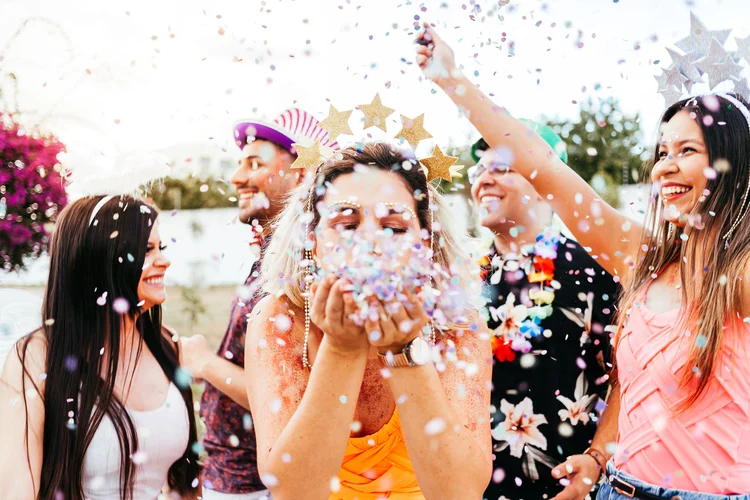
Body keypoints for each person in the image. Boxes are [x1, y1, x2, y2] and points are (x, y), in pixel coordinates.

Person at [416, 24, 750, 499]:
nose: (664, 167)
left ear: (733, 163)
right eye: (661, 152)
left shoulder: (740, 276)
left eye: (687, 151)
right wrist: (453, 80)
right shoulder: (644, 259)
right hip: (620, 490)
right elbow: (546, 169)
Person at [245, 142, 493, 499]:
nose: (371, 242)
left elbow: (460, 493)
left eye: (393, 227)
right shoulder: (279, 322)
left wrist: (404, 352)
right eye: (347, 223)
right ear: (312, 242)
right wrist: (342, 350)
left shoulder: (456, 327)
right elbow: (294, 492)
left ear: (423, 245)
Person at [179, 108, 337, 499]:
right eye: (239, 164)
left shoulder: (304, 270)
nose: (237, 178)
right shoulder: (274, 259)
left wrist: (204, 363)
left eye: (255, 163)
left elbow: (293, 395)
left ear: (301, 174)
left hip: (258, 484)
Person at [0, 194, 200, 500]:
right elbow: (18, 491)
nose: (164, 260)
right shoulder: (37, 357)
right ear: (98, 262)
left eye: (161, 247)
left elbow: (185, 484)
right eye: (145, 250)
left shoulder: (166, 345)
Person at [468, 132, 619, 499]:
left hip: (564, 489)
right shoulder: (462, 277)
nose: (483, 180)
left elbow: (629, 381)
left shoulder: (593, 270)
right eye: (479, 169)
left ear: (546, 183)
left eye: (502, 168)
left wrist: (597, 461)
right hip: (471, 489)